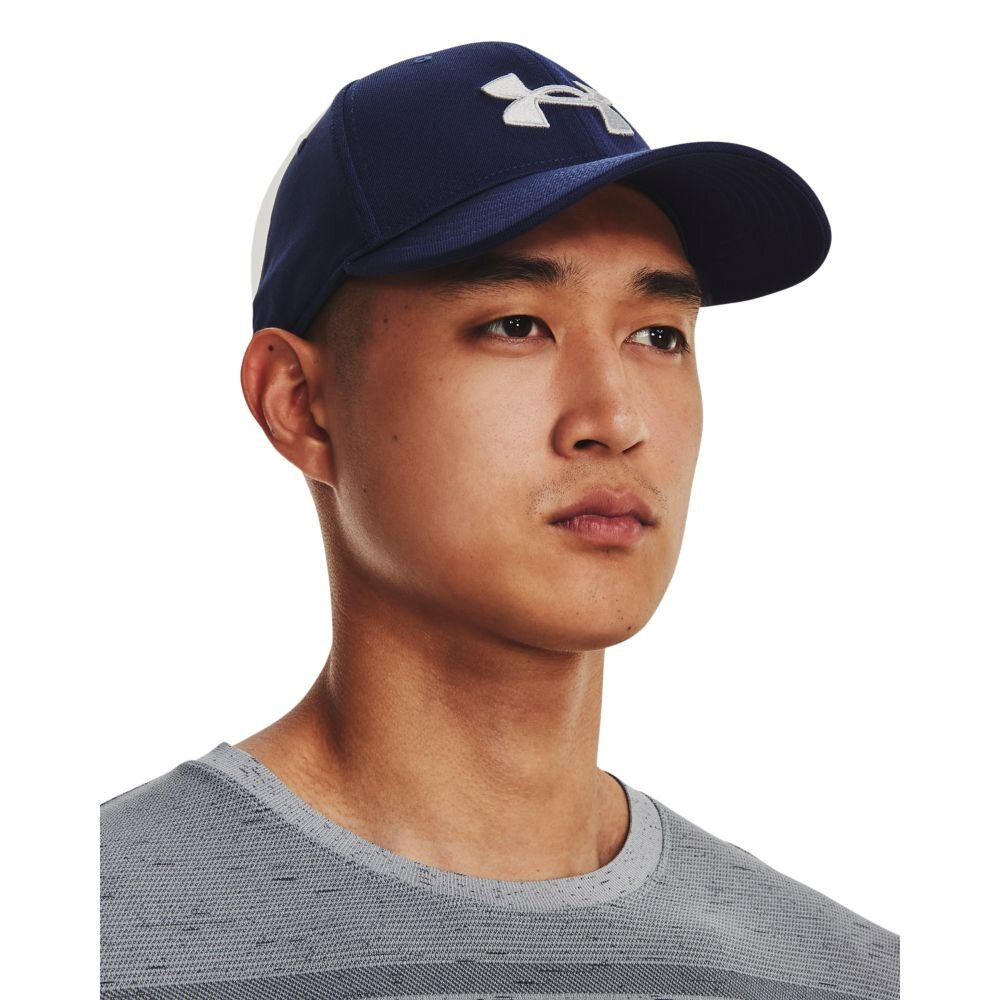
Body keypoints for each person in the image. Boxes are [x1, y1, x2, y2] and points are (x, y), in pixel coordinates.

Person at [100, 40, 899, 1000]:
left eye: (658, 335)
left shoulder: (844, 974)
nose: (615, 420)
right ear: (300, 405)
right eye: (517, 325)